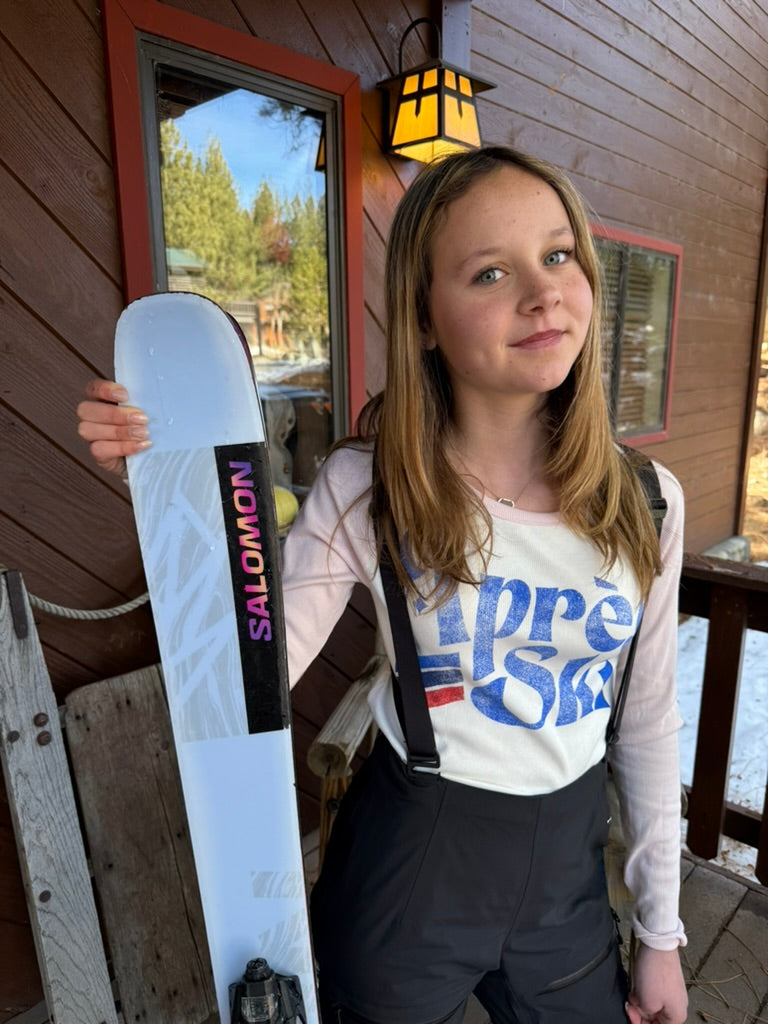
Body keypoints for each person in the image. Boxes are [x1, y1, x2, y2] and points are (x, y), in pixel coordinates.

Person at [77, 146, 688, 1024]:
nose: (543, 292)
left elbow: (649, 722)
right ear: (425, 319)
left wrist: (662, 936)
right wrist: (174, 500)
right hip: (411, 874)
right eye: (490, 272)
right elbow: (250, 680)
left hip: (568, 878)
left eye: (559, 255)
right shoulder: (369, 485)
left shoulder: (648, 502)